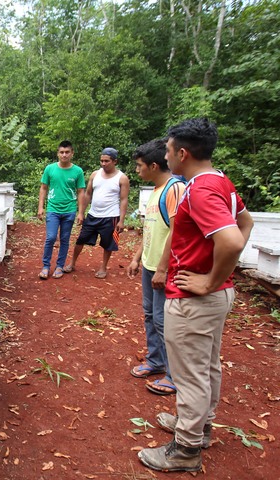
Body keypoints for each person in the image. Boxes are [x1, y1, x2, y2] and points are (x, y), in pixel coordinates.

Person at [138, 118, 253, 472]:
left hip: (195, 298)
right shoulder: (219, 182)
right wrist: (219, 277)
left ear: (182, 153)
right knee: (206, 367)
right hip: (215, 295)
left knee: (189, 374)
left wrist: (207, 280)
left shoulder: (200, 190)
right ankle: (198, 427)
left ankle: (186, 449)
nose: (167, 155)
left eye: (169, 150)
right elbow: (246, 223)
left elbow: (232, 239)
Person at [127, 139, 186, 396]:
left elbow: (177, 230)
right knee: (150, 316)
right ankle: (155, 360)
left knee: (165, 322)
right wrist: (137, 257)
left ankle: (175, 376)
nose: (137, 170)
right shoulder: (155, 190)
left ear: (153, 165)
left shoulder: (175, 189)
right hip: (150, 265)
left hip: (165, 268)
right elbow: (151, 229)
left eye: (140, 166)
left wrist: (163, 268)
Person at [65, 147, 129, 278]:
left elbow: (123, 200)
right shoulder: (95, 175)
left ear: (115, 161)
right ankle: (72, 263)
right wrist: (81, 212)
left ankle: (103, 267)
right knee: (80, 239)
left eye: (107, 161)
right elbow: (88, 194)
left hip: (111, 217)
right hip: (93, 215)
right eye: (102, 161)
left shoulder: (122, 178)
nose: (103, 164)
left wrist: (121, 221)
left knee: (108, 243)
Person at [37, 140, 86, 279]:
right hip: (53, 208)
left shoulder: (77, 171)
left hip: (69, 209)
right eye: (61, 152)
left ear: (72, 153)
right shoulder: (50, 169)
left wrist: (81, 212)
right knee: (51, 237)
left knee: (65, 238)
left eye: (67, 152)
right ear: (58, 153)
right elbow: (43, 188)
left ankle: (59, 266)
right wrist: (41, 207)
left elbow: (81, 192)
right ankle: (46, 266)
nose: (64, 155)